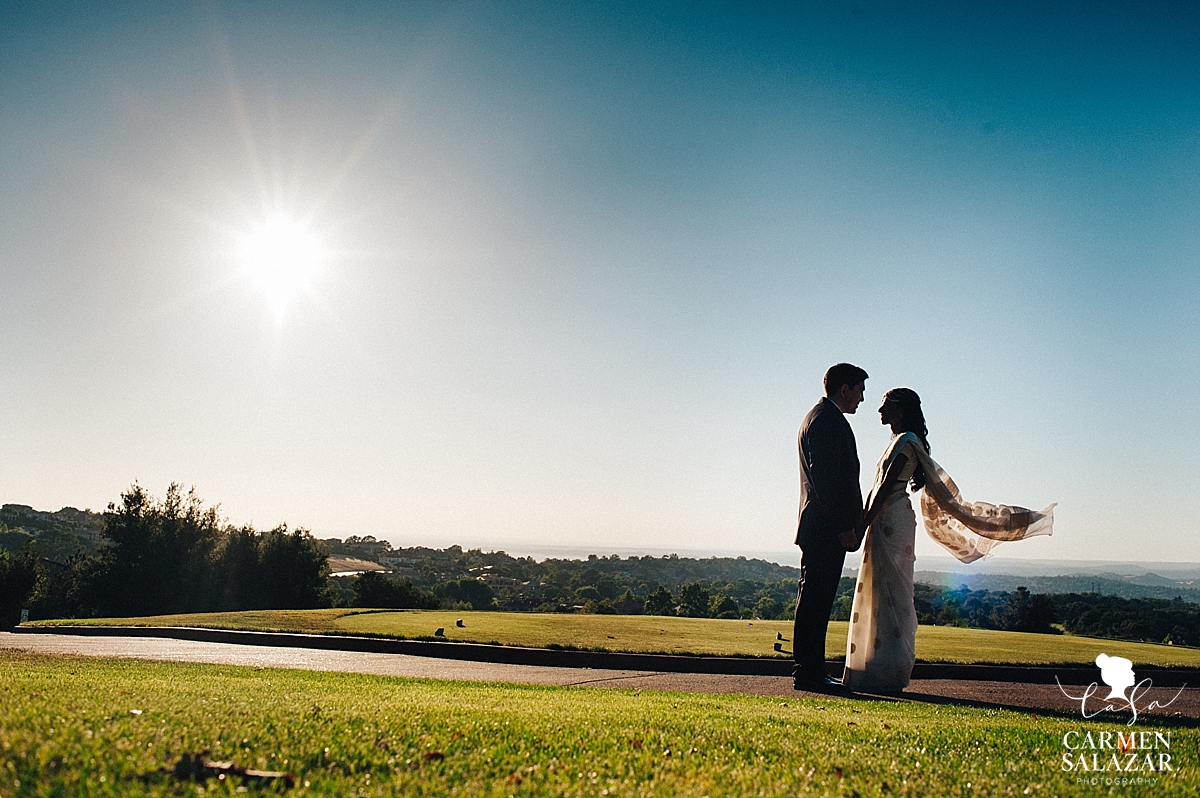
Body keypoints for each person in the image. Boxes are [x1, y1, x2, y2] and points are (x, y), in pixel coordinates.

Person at [842, 388, 1055, 693]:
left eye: (885, 405)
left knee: (892, 595)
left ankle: (887, 670)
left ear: (901, 410)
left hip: (892, 524)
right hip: (884, 521)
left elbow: (886, 488)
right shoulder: (898, 442)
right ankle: (875, 667)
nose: (878, 410)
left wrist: (861, 524)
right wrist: (863, 521)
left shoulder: (907, 442)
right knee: (879, 592)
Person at [793, 363, 868, 692]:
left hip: (822, 527)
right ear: (844, 389)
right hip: (825, 529)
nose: (862, 399)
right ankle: (808, 674)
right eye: (859, 390)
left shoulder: (821, 418)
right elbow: (827, 482)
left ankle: (812, 671)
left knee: (816, 600)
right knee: (814, 601)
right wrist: (843, 527)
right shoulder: (825, 421)